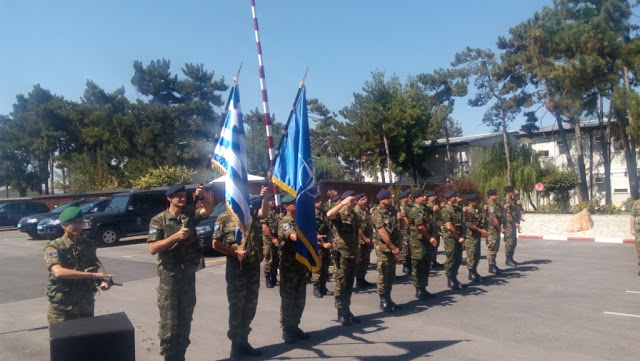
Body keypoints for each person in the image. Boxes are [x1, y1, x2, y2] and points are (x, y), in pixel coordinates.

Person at [148, 184, 213, 361]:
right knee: (169, 324)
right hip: (169, 276)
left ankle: (180, 356)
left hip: (187, 274)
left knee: (185, 321)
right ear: (169, 198)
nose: (182, 198)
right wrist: (174, 237)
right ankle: (169, 357)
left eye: (184, 195)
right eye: (178, 196)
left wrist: (201, 196)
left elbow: (207, 210)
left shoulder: (189, 215)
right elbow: (153, 248)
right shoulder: (158, 220)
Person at [212, 186, 268, 360]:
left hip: (252, 268)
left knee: (250, 306)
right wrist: (234, 253)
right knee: (236, 308)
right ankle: (235, 345)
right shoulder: (223, 217)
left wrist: (265, 197)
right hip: (236, 269)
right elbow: (215, 243)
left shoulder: (252, 215)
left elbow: (264, 213)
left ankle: (244, 341)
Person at [44, 206, 114, 325]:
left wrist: (102, 281)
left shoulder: (88, 245)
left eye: (80, 222)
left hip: (84, 304)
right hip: (61, 307)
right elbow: (58, 272)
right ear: (63, 225)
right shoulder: (54, 247)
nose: (78, 226)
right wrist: (92, 275)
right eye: (73, 223)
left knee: (85, 341)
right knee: (62, 342)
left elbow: (93, 267)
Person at [278, 194, 310, 344]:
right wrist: (309, 235)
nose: (296, 205)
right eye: (293, 203)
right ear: (286, 207)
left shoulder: (301, 221)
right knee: (288, 299)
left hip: (300, 265)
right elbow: (293, 237)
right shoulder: (284, 222)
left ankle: (295, 326)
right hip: (289, 266)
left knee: (300, 298)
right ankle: (286, 329)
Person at [327, 190, 361, 326]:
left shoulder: (354, 215)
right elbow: (329, 214)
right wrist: (342, 203)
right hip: (341, 255)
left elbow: (356, 235)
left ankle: (347, 309)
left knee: (349, 284)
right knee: (341, 284)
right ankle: (341, 311)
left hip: (352, 253)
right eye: (352, 199)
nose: (355, 201)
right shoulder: (339, 215)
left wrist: (358, 251)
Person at [371, 188, 405, 312]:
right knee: (384, 274)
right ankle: (383, 300)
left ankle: (388, 298)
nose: (389, 199)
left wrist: (400, 219)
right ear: (380, 200)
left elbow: (398, 228)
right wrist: (394, 248)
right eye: (387, 198)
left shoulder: (391, 210)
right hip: (384, 248)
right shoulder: (377, 212)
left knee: (391, 274)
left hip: (393, 246)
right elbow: (382, 232)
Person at [407, 189, 438, 300]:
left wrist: (436, 211)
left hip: (425, 242)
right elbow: (420, 227)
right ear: (416, 198)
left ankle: (423, 288)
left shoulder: (425, 209)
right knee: (419, 266)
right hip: (418, 243)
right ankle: (419, 290)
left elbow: (435, 220)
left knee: (426, 265)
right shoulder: (416, 210)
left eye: (425, 195)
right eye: (421, 196)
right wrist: (430, 238)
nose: (425, 197)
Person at [441, 190, 465, 290]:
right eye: (454, 196)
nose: (456, 197)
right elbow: (449, 227)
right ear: (449, 198)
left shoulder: (457, 209)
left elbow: (463, 222)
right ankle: (450, 280)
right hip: (451, 238)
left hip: (458, 237)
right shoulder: (446, 210)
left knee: (458, 259)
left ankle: (454, 278)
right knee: (451, 259)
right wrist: (458, 238)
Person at [312, 194, 333, 298]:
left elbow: (330, 228)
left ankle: (323, 286)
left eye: (320, 200)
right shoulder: (310, 214)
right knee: (317, 267)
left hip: (327, 243)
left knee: (325, 266)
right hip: (318, 244)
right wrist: (323, 243)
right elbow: (313, 230)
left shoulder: (325, 213)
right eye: (317, 201)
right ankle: (316, 287)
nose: (320, 202)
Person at [464, 194, 488, 282]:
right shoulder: (467, 210)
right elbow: (469, 224)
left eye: (476, 200)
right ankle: (471, 273)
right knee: (471, 254)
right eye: (474, 200)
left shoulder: (477, 209)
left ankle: (474, 272)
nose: (476, 201)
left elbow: (482, 220)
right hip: (470, 236)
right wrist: (480, 230)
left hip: (477, 235)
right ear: (470, 201)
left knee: (477, 255)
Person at [354, 193, 374, 289]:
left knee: (365, 261)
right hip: (360, 241)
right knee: (360, 261)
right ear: (357, 201)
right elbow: (358, 227)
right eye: (361, 199)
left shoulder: (365, 210)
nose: (364, 201)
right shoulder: (356, 211)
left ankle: (362, 279)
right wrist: (365, 238)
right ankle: (359, 280)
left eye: (364, 199)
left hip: (367, 240)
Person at [261, 194, 280, 288]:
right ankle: (267, 278)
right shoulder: (265, 213)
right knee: (269, 258)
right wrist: (273, 239)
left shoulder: (276, 212)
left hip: (277, 239)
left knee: (276, 259)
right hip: (268, 240)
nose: (273, 201)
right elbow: (265, 227)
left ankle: (274, 276)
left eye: (273, 200)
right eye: (271, 200)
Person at [485, 189, 504, 275]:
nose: (497, 196)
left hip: (495, 229)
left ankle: (493, 264)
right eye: (494, 194)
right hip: (492, 229)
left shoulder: (495, 205)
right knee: (492, 247)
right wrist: (500, 229)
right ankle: (491, 266)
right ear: (490, 196)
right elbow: (494, 219)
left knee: (495, 247)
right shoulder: (490, 206)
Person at [426, 191, 444, 269]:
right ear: (429, 197)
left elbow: (439, 217)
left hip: (436, 228)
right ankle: (429, 261)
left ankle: (434, 261)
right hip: (430, 228)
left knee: (435, 245)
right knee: (430, 246)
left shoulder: (436, 206)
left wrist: (440, 225)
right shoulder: (426, 205)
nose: (435, 197)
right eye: (433, 196)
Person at [503, 186, 519, 267]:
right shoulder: (506, 201)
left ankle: (511, 258)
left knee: (513, 241)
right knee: (509, 242)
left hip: (512, 224)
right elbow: (508, 215)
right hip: (509, 224)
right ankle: (508, 259)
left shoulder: (511, 200)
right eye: (513, 191)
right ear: (509, 192)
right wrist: (514, 223)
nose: (514, 192)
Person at [398, 189, 412, 274]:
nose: (408, 197)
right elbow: (404, 218)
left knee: (409, 246)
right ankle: (405, 265)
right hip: (404, 230)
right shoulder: (402, 207)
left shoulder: (408, 206)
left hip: (408, 229)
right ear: (403, 198)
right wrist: (411, 227)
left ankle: (409, 264)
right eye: (407, 197)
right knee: (405, 247)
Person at [631, 199, 640, 276]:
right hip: (639, 231)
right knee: (639, 250)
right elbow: (633, 216)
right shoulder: (636, 203)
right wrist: (631, 229)